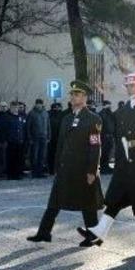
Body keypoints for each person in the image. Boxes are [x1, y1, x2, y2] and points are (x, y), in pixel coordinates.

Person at [78, 73, 135, 248]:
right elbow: (117, 131)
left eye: (133, 85)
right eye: (128, 86)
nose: (130, 88)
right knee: (118, 195)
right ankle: (99, 232)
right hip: (129, 156)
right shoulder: (125, 108)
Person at [27, 80, 104, 243]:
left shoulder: (93, 119)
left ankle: (93, 236)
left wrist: (92, 170)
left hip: (82, 168)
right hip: (65, 168)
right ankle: (44, 233)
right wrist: (55, 166)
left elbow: (95, 146)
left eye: (77, 94)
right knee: (54, 201)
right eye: (72, 94)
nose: (73, 97)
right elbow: (60, 144)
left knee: (88, 203)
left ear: (85, 97)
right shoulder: (67, 118)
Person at [26, 99, 50, 178]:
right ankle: (34, 172)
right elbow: (28, 127)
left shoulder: (45, 113)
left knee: (42, 155)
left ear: (42, 104)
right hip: (35, 138)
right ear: (35, 104)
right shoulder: (31, 113)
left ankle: (40, 172)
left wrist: (49, 136)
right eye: (38, 104)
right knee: (34, 156)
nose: (39, 105)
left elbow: (48, 125)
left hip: (44, 137)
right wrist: (29, 138)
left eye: (40, 104)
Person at [4, 102, 26, 180]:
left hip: (19, 140)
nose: (15, 109)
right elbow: (5, 129)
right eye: (13, 107)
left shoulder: (20, 117)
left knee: (19, 158)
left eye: (16, 107)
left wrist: (22, 138)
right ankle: (10, 174)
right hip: (11, 141)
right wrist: (6, 139)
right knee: (11, 158)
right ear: (11, 108)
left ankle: (18, 174)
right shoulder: (7, 117)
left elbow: (22, 128)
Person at [99, 100, 116, 174]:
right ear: (105, 105)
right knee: (104, 153)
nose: (110, 107)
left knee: (109, 154)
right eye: (109, 105)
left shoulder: (110, 114)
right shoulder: (101, 114)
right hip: (104, 137)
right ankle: (103, 169)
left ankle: (108, 168)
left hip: (110, 137)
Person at [47, 102, 64, 175]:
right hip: (51, 138)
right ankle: (52, 169)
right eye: (56, 107)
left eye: (59, 107)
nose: (57, 109)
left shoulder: (62, 115)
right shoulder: (49, 114)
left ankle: (56, 169)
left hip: (59, 138)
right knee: (51, 154)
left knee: (58, 154)